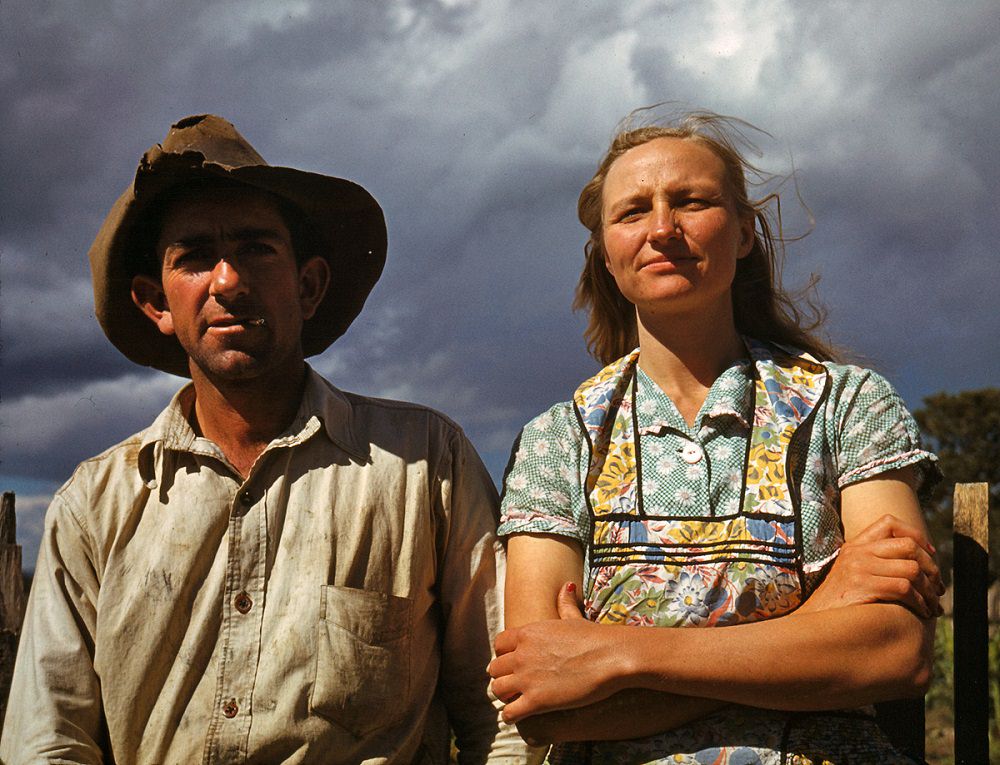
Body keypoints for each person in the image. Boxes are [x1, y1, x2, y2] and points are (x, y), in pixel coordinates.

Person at [1, 114, 528, 764]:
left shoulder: (424, 464)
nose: (227, 280)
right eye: (194, 257)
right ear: (155, 303)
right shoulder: (94, 504)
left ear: (308, 286)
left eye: (255, 248)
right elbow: (48, 740)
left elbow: (503, 712)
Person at [488, 111, 942, 764]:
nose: (663, 228)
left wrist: (620, 655)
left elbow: (894, 649)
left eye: (691, 201)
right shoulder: (560, 441)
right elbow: (543, 702)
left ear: (746, 232)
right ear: (606, 254)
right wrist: (820, 618)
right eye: (633, 212)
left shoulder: (847, 405)